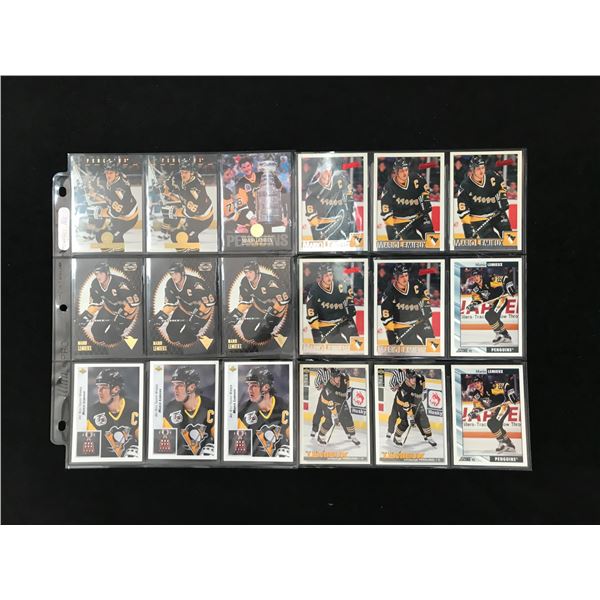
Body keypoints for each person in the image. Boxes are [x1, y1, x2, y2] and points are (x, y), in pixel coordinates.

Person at [225, 261, 289, 344]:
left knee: (260, 337)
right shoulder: (245, 282)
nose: (248, 275)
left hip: (276, 311)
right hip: (258, 307)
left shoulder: (270, 281)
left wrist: (270, 316)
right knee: (247, 333)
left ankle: (272, 338)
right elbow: (246, 301)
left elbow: (284, 300)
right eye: (246, 272)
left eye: (250, 272)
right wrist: (236, 314)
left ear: (257, 271)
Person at [153, 262, 215, 346]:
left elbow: (210, 302)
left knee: (185, 339)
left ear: (182, 273)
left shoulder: (195, 283)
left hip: (201, 314)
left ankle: (196, 340)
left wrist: (197, 317)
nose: (173, 276)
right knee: (172, 334)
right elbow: (171, 303)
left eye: (176, 273)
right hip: (184, 309)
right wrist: (162, 315)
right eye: (171, 274)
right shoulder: (170, 283)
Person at [79, 262, 140, 345]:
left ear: (107, 272)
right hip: (109, 309)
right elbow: (96, 302)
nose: (98, 276)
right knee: (96, 333)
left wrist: (123, 315)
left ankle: (123, 341)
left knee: (111, 338)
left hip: (126, 314)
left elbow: (134, 303)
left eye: (101, 273)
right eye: (96, 274)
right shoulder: (95, 283)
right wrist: (88, 315)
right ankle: (104, 346)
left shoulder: (120, 283)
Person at [236, 367, 290, 458]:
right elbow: (240, 451)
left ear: (266, 387)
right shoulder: (242, 412)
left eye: (254, 385)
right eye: (249, 385)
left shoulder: (285, 407)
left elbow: (293, 439)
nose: (249, 389)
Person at [84, 157, 139, 244]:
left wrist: (101, 213)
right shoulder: (113, 180)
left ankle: (117, 251)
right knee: (102, 237)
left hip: (128, 218)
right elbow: (108, 199)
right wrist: (96, 195)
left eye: (111, 173)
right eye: (107, 172)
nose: (108, 175)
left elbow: (115, 212)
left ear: (116, 173)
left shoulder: (119, 189)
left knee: (111, 238)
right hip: (121, 212)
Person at [160, 157, 214, 245]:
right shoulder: (179, 176)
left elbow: (190, 212)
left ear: (192, 173)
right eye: (182, 172)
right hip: (192, 214)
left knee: (187, 239)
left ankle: (193, 250)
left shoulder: (196, 187)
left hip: (203, 218)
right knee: (175, 237)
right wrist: (165, 189)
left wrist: (174, 212)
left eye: (186, 172)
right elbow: (168, 184)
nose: (183, 175)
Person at [162, 367, 215, 456]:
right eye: (174, 384)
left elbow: (221, 440)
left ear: (192, 387)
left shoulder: (211, 406)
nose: (175, 389)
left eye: (180, 385)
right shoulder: (170, 409)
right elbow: (166, 445)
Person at [87, 368, 139, 458]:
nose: (99, 391)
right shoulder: (92, 413)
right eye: (98, 387)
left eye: (104, 387)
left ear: (116, 389)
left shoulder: (135, 408)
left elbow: (144, 440)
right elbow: (89, 449)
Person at [456, 155, 511, 239]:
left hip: (497, 213)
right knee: (493, 242)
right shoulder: (465, 186)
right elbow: (462, 210)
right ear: (472, 170)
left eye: (483, 168)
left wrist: (502, 198)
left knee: (509, 238)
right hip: (478, 219)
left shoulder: (492, 175)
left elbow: (501, 186)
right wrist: (468, 228)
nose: (481, 171)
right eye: (478, 169)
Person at [379, 158, 434, 241]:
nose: (405, 173)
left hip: (420, 215)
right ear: (396, 172)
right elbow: (385, 210)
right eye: (401, 171)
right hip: (401, 221)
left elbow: (424, 190)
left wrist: (425, 201)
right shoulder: (389, 187)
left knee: (431, 239)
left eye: (406, 170)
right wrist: (392, 227)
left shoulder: (416, 178)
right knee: (415, 244)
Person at [228, 156, 286, 233]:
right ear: (241, 169)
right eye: (244, 167)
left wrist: (272, 175)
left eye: (248, 166)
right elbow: (242, 207)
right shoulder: (240, 185)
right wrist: (252, 217)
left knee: (279, 231)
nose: (247, 169)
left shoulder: (263, 175)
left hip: (268, 215)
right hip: (251, 218)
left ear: (252, 165)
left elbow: (280, 189)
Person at [380, 264, 434, 347]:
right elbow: (386, 316)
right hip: (402, 326)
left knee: (432, 345)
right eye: (402, 276)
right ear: (396, 277)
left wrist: (426, 306)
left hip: (420, 320)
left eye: (406, 275)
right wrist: (391, 332)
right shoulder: (389, 292)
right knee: (416, 349)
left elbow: (425, 294)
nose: (405, 279)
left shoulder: (415, 283)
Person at [306, 263, 358, 344]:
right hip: (326, 324)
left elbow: (349, 294)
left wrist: (350, 305)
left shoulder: (340, 284)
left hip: (344, 319)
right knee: (340, 346)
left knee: (356, 343)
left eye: (330, 275)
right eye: (326, 276)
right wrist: (316, 330)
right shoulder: (314, 291)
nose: (329, 278)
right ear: (321, 277)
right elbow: (311, 313)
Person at [304, 158, 355, 240]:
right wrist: (334, 220)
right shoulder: (312, 189)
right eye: (324, 171)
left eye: (329, 171)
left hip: (340, 233)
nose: (327, 175)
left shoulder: (340, 180)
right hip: (321, 234)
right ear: (318, 173)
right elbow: (314, 221)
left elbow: (349, 201)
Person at [466, 374, 519, 453]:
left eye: (478, 382)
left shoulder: (490, 387)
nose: (476, 385)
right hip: (495, 411)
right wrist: (474, 412)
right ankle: (509, 444)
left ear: (481, 383)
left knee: (492, 423)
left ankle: (502, 443)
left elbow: (506, 385)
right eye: (474, 383)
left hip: (503, 407)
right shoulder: (476, 395)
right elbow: (478, 407)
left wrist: (510, 392)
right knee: (497, 426)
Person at [386, 370, 436, 447]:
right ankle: (397, 437)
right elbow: (407, 406)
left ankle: (429, 437)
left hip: (415, 400)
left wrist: (423, 391)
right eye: (412, 378)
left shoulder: (419, 378)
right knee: (405, 422)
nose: (414, 380)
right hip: (401, 403)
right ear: (407, 379)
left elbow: (422, 381)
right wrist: (411, 417)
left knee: (423, 417)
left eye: (414, 378)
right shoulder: (404, 390)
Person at [465, 267, 516, 344]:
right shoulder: (475, 288)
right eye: (474, 277)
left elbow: (505, 278)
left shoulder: (489, 280)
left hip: (500, 300)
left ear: (480, 276)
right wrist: (473, 305)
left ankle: (499, 334)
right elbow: (477, 300)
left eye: (477, 276)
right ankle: (505, 335)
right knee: (491, 317)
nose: (476, 278)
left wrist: (509, 285)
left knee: (490, 315)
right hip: (493, 303)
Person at [312, 368, 360, 446]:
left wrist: (348, 392)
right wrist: (335, 417)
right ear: (332, 378)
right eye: (336, 377)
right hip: (327, 403)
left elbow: (347, 384)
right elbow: (332, 406)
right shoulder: (328, 388)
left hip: (341, 401)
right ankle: (321, 436)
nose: (338, 379)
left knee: (348, 416)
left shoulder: (343, 378)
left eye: (339, 376)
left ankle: (353, 436)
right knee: (330, 421)